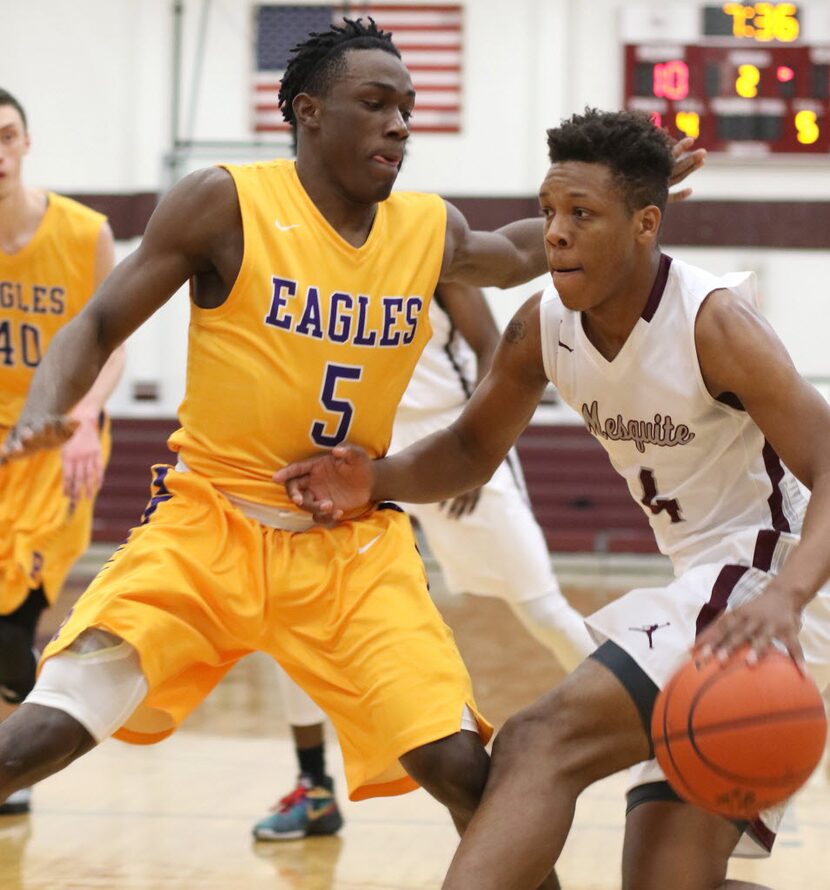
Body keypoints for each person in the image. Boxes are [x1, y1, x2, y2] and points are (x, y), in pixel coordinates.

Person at [0, 20, 699, 879]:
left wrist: (631, 196)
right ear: (308, 112)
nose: (400, 124)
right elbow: (98, 322)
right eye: (377, 104)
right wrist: (48, 407)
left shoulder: (425, 228)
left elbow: (521, 251)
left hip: (350, 544)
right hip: (209, 525)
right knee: (47, 728)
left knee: (463, 771)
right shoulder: (224, 199)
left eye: (408, 108)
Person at [273, 108, 830, 890]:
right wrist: (378, 477)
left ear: (644, 225)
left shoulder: (715, 324)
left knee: (538, 740)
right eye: (548, 213)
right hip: (716, 580)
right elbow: (471, 449)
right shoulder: (543, 326)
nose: (556, 234)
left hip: (775, 579)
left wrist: (790, 597)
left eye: (581, 215)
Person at [252, 282, 594, 841]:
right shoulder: (310, 258)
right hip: (359, 453)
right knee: (295, 616)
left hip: (451, 444)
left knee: (542, 609)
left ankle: (654, 734)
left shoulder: (434, 248)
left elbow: (496, 348)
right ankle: (313, 788)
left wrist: (481, 449)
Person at [0, 88, 125, 816]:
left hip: (56, 449)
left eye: (7, 135)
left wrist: (83, 418)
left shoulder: (83, 233)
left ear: (25, 143)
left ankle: (19, 761)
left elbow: (109, 340)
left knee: (13, 622)